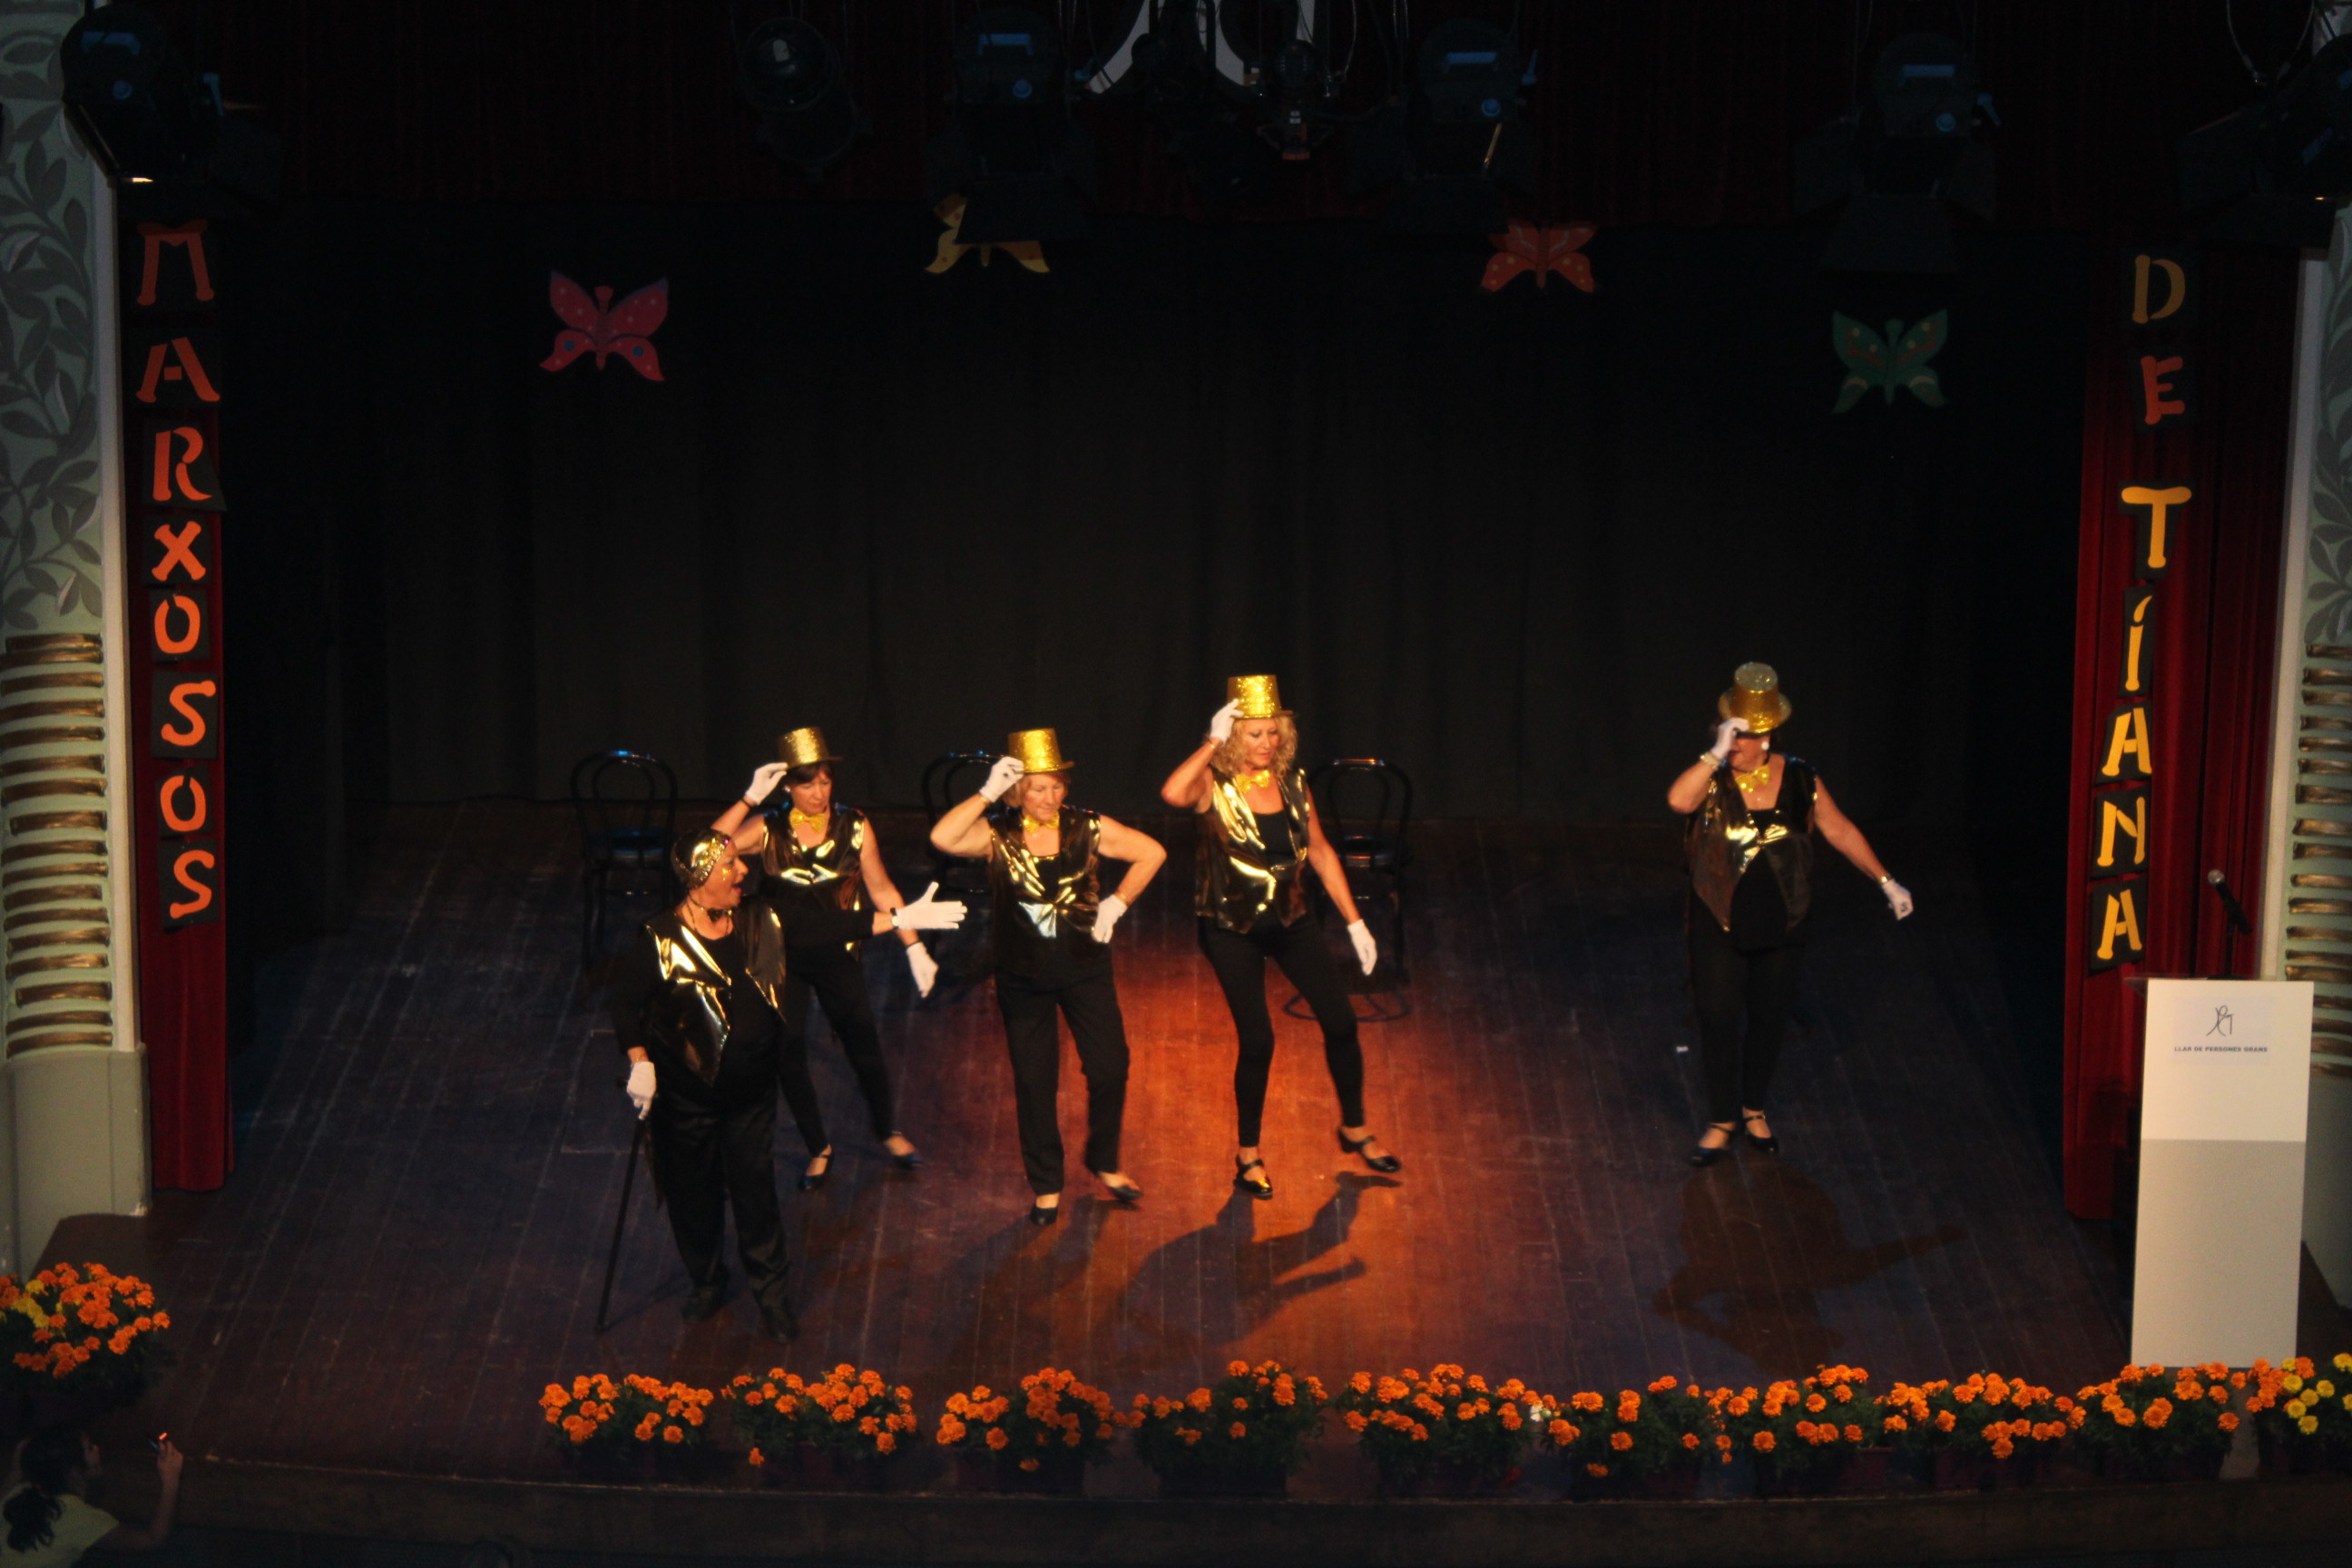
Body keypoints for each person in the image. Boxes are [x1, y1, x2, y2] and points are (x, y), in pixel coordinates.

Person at [609, 829, 964, 1338]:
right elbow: (624, 1003)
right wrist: (640, 1061)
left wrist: (902, 919)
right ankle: (707, 1283)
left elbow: (832, 925)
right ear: (701, 877)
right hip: (687, 1101)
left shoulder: (764, 916)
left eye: (740, 861)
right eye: (730, 865)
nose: (742, 871)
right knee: (694, 1199)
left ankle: (772, 1297)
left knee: (756, 1198)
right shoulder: (660, 939)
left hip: (751, 1095)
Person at [1161, 675, 1400, 1201]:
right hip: (1232, 927)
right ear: (1233, 737)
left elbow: (1320, 851)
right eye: (1254, 734)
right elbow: (1173, 792)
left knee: (1341, 1022)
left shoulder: (1292, 782)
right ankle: (1248, 1156)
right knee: (1259, 1041)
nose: (1267, 743)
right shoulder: (1212, 784)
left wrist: (1355, 923)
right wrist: (1211, 741)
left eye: (1273, 733)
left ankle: (1355, 1127)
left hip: (1291, 919)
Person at [1665, 662, 1913, 1167]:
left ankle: (1753, 1108)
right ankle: (1721, 1120)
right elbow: (1677, 801)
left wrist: (1886, 881)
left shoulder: (1801, 777)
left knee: (1769, 1017)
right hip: (1720, 916)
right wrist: (1714, 754)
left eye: (1742, 735)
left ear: (1766, 737)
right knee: (1717, 1016)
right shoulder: (1713, 775)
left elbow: (1839, 830)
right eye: (1728, 732)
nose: (1733, 742)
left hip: (1783, 919)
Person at [930, 728, 1168, 1225]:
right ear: (1017, 790)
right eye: (1037, 787)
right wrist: (986, 792)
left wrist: (1117, 903)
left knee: (1110, 1068)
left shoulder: (1087, 827)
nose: (1049, 796)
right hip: (1023, 976)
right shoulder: (996, 834)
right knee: (1035, 1083)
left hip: (1084, 968)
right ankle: (1046, 1184)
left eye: (1056, 786)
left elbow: (1152, 852)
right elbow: (943, 838)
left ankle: (1103, 1159)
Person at [710, 727, 932, 1191]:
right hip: (780, 956)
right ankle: (818, 1146)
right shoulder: (768, 828)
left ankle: (888, 1130)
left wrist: (914, 945)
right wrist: (750, 798)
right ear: (788, 787)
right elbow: (707, 850)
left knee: (863, 1043)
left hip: (836, 951)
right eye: (807, 784)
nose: (819, 793)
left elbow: (882, 889)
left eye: (826, 782)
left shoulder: (855, 826)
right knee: (787, 1050)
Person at [2, 1426, 181, 1563]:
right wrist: (171, 1481)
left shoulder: (19, 1494)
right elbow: (153, 1540)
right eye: (89, 1448)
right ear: (73, 1469)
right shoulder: (79, 1517)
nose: (96, 1449)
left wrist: (16, 1470)